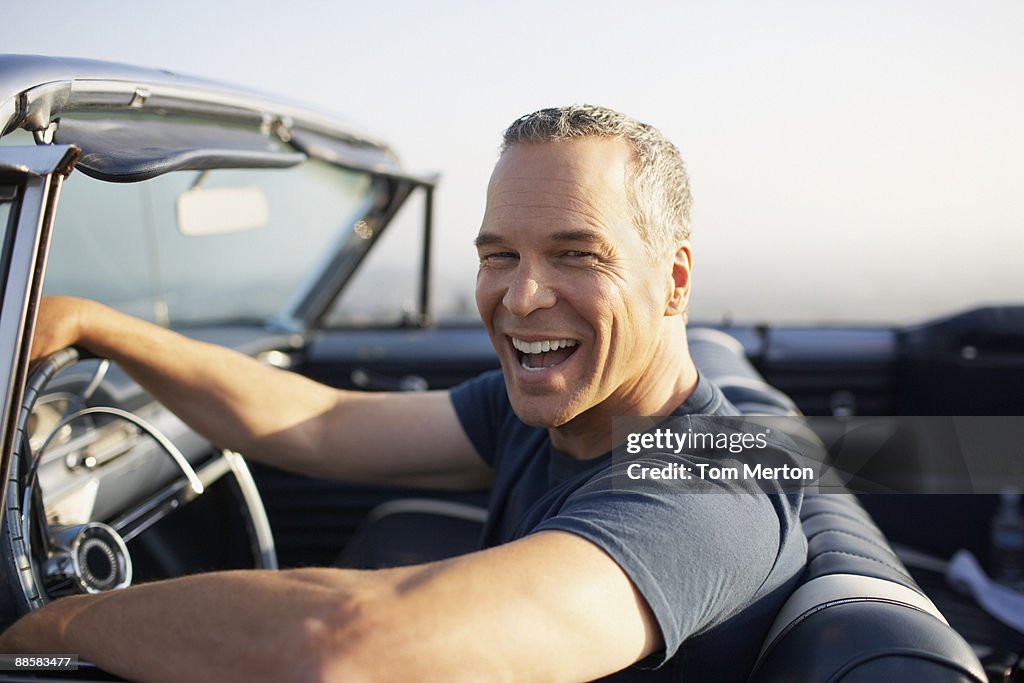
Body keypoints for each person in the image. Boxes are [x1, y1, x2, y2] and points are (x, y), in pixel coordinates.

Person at [0, 105, 805, 682]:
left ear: (673, 282)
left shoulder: (705, 489)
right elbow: (319, 421)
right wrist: (97, 324)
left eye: (575, 254)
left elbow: (346, 644)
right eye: (499, 255)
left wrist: (49, 630)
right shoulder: (562, 411)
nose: (523, 298)